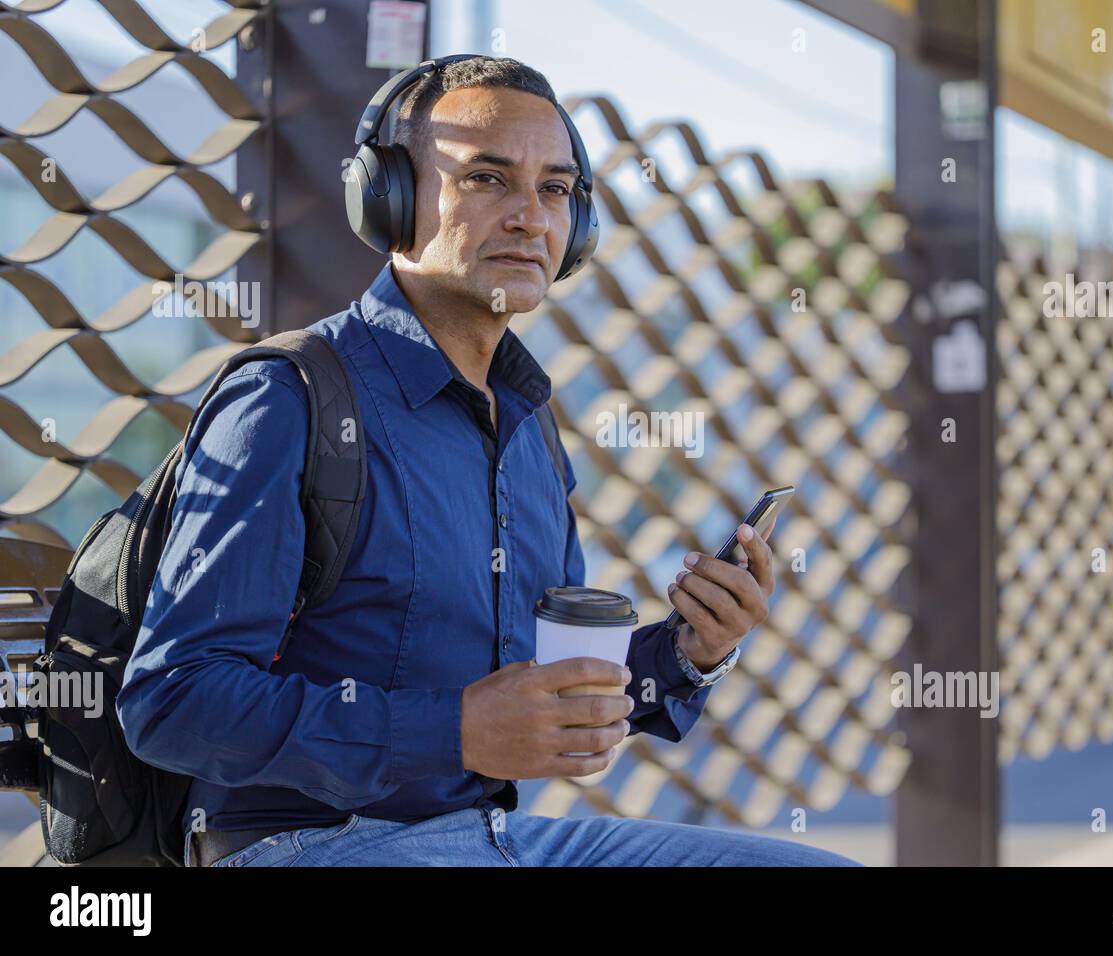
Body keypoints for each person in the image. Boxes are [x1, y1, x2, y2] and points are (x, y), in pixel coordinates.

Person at [116, 54, 858, 867]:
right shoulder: (290, 399)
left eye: (555, 190)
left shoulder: (529, 426)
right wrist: (456, 729)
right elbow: (173, 700)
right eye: (486, 180)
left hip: (486, 839)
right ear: (389, 197)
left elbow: (550, 688)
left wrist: (689, 652)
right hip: (299, 845)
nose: (530, 218)